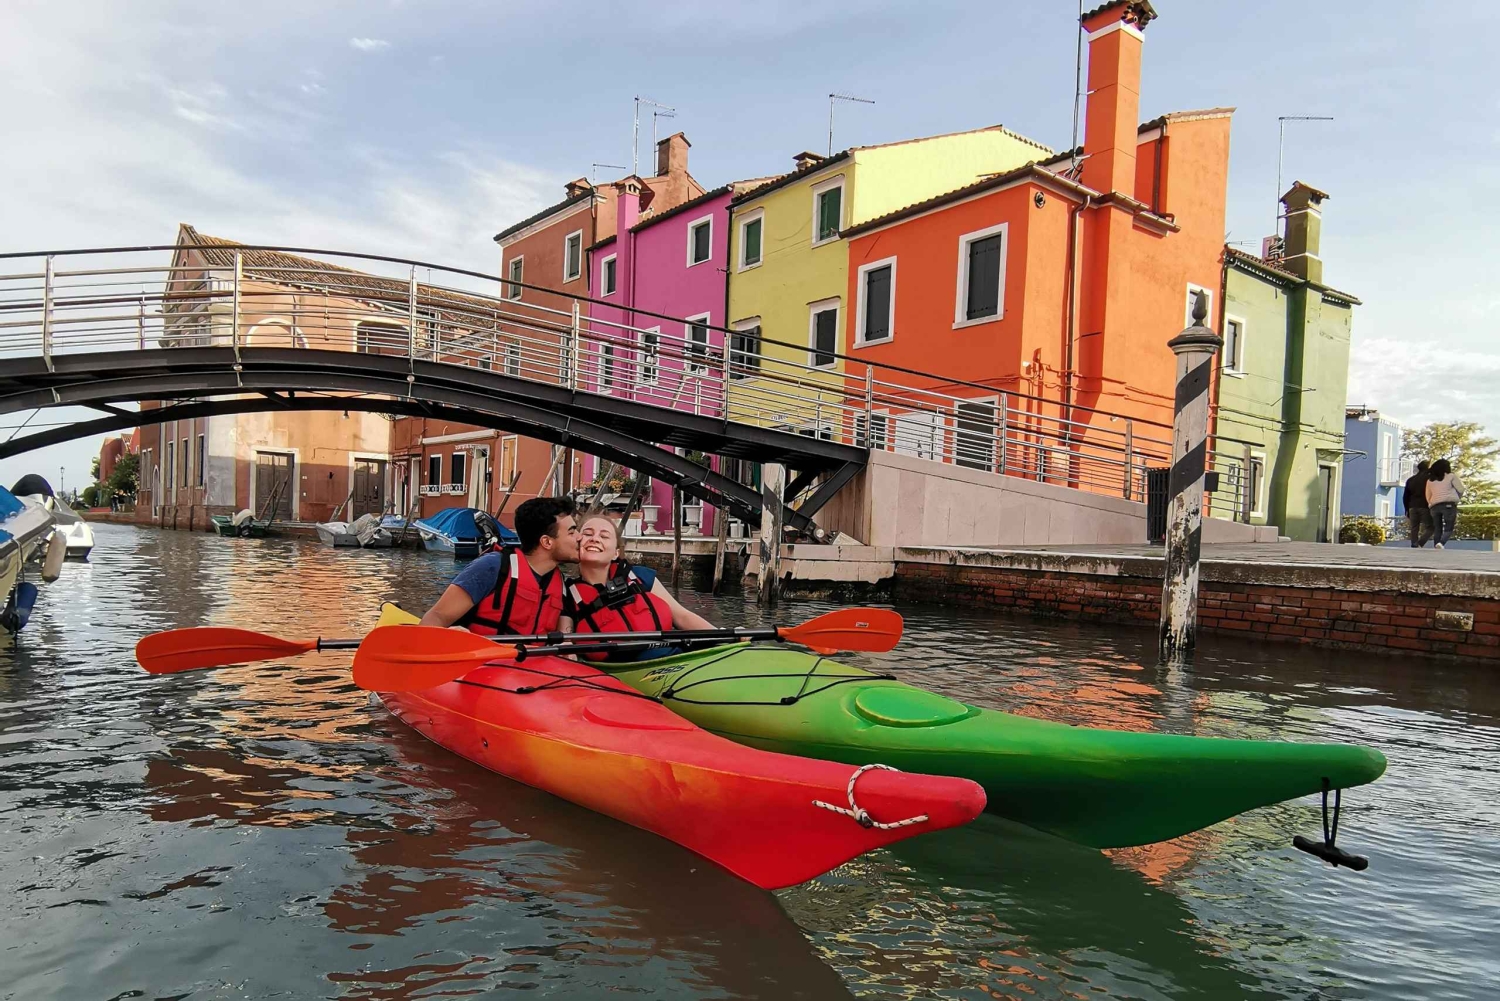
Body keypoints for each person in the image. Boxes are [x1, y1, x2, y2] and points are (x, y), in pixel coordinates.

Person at [560, 514, 716, 660]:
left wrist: (725, 638)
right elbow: (565, 637)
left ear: (616, 553)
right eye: (587, 534)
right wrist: (566, 647)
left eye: (604, 536)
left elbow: (682, 616)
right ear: (577, 544)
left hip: (671, 656)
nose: (595, 539)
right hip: (617, 670)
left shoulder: (639, 576)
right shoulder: (568, 594)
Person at [420, 496, 580, 635]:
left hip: (530, 667)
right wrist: (448, 635)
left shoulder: (560, 584)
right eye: (572, 532)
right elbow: (435, 617)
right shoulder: (492, 567)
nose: (580, 537)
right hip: (481, 662)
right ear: (546, 542)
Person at [1424, 458, 1465, 550]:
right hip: (1449, 505)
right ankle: (1441, 543)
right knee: (1449, 527)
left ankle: (1436, 545)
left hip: (1434, 506)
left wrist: (1431, 504)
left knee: (1437, 528)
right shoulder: (1451, 476)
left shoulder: (1430, 481)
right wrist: (1457, 498)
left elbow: (1428, 495)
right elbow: (1461, 489)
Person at [1403, 460, 1433, 548]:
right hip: (1424, 506)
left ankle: (1414, 544)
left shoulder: (1410, 480)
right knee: (1431, 527)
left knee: (1414, 527)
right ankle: (1420, 542)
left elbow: (1405, 496)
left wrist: (1407, 509)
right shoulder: (1429, 479)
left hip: (1412, 506)